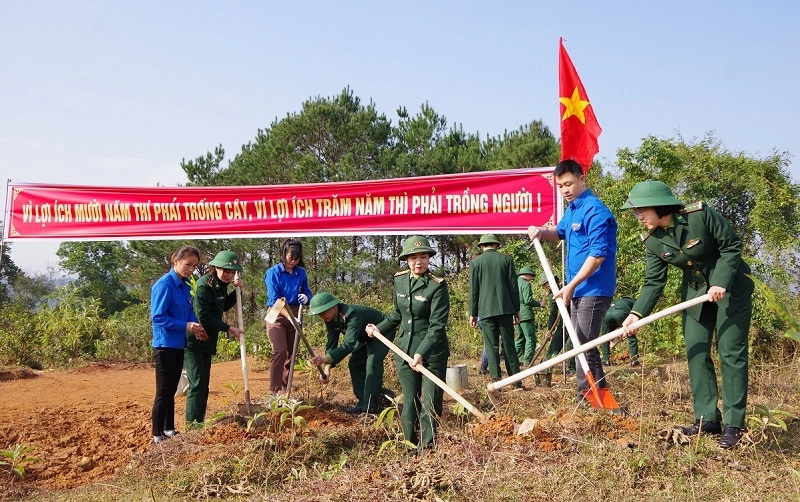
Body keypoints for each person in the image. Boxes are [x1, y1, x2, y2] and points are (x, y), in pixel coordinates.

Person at [620, 180, 753, 449]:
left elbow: (731, 246)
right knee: (696, 350)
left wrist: (720, 281)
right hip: (696, 296)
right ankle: (707, 419)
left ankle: (734, 424)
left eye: (641, 211)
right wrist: (636, 314)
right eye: (636, 213)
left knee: (730, 352)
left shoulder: (699, 216)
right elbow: (653, 282)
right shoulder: (653, 240)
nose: (639, 218)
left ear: (659, 206)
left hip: (731, 290)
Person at [527, 159, 617, 401]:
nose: (564, 190)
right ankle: (593, 399)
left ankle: (594, 402)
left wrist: (571, 285)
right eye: (560, 186)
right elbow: (559, 232)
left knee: (583, 344)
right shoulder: (573, 209)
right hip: (577, 289)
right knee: (581, 344)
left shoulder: (595, 210)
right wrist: (541, 232)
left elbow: (598, 256)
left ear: (582, 179)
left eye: (569, 184)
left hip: (594, 289)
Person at [366, 235, 450, 452]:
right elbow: (397, 314)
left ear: (429, 258)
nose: (418, 262)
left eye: (423, 257)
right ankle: (409, 446)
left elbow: (437, 326)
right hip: (404, 350)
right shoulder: (400, 280)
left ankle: (427, 448)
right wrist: (379, 328)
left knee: (430, 402)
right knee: (410, 400)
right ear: (406, 260)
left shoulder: (437, 286)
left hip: (432, 353)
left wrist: (421, 353)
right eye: (413, 258)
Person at [150, 245, 206, 445]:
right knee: (163, 391)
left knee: (172, 388)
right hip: (164, 345)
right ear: (176, 261)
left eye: (194, 266)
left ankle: (169, 429)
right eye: (188, 264)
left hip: (178, 344)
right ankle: (157, 435)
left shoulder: (185, 286)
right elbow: (158, 317)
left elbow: (188, 312)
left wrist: (195, 325)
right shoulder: (164, 285)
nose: (191, 269)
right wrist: (185, 325)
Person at [186, 250, 245, 426]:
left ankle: (199, 422)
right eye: (226, 271)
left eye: (232, 272)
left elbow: (223, 306)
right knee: (197, 384)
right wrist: (229, 328)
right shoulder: (205, 286)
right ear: (216, 268)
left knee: (203, 384)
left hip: (208, 341)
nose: (229, 275)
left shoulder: (220, 284)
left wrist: (238, 291)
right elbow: (204, 317)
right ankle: (192, 424)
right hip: (194, 341)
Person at [308, 292, 393, 414]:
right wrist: (327, 369)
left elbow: (348, 345)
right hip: (364, 337)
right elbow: (332, 343)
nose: (321, 316)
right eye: (319, 314)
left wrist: (323, 359)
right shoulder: (330, 319)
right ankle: (366, 402)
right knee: (355, 363)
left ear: (333, 307)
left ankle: (370, 410)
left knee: (372, 364)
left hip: (380, 333)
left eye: (323, 312)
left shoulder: (352, 313)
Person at [469, 233, 522, 387]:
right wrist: (517, 309)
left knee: (491, 347)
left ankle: (496, 383)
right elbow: (513, 287)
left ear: (481, 246)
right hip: (506, 309)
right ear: (496, 245)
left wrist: (473, 313)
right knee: (509, 346)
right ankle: (516, 383)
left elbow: (474, 290)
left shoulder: (475, 263)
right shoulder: (506, 260)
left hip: (485, 311)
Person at [264, 238, 313, 394]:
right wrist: (289, 317)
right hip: (277, 312)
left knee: (291, 354)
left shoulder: (301, 273)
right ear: (284, 253)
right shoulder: (273, 273)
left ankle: (284, 392)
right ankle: (274, 392)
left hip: (295, 313)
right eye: (291, 257)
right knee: (280, 350)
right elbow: (274, 300)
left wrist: (306, 297)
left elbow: (308, 293)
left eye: (297, 258)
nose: (293, 261)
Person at [537, 272, 574, 386]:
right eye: (544, 284)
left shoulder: (566, 285)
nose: (546, 286)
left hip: (576, 318)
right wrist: (549, 330)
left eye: (547, 283)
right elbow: (553, 314)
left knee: (570, 344)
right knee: (556, 342)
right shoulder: (551, 295)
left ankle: (574, 371)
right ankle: (545, 368)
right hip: (563, 321)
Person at [514, 265, 543, 367]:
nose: (531, 278)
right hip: (526, 315)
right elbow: (528, 300)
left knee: (520, 338)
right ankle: (528, 361)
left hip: (516, 314)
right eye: (531, 276)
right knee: (530, 338)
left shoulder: (514, 283)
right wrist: (540, 304)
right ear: (526, 275)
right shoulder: (526, 284)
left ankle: (516, 359)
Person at [599, 297, 639, 367]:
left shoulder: (615, 302)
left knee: (605, 338)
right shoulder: (632, 302)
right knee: (631, 333)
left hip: (606, 314)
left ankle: (605, 361)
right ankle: (634, 359)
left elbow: (614, 326)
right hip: (620, 313)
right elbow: (636, 316)